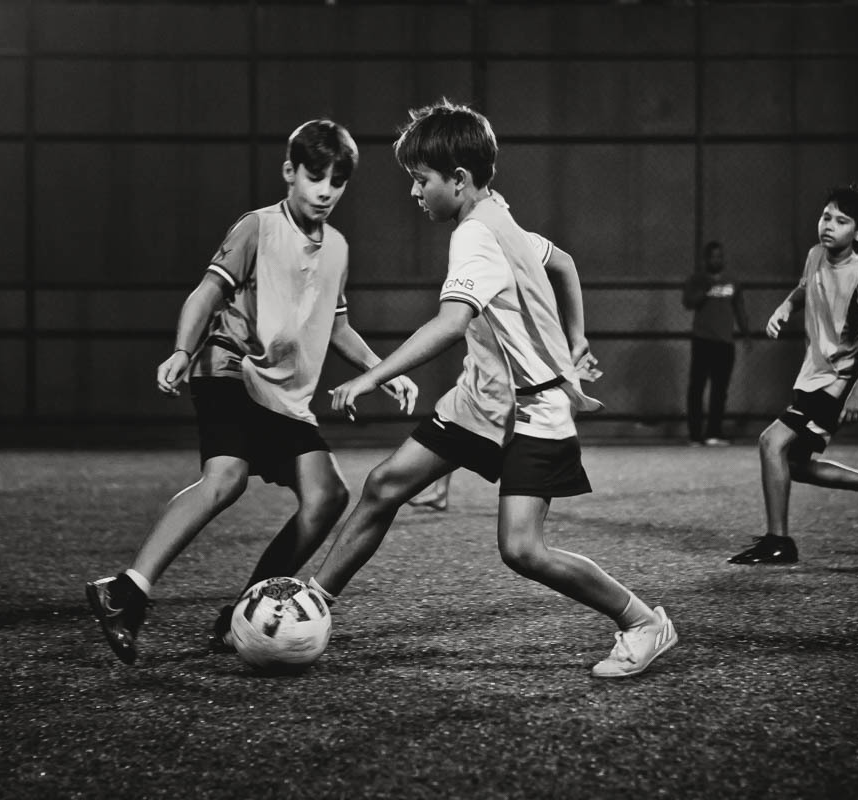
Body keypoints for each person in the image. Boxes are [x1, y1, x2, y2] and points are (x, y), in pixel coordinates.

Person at [304, 100, 677, 679]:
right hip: (484, 404)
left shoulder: (475, 234)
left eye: (420, 180)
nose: (414, 193)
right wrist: (576, 338)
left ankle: (643, 622)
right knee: (384, 485)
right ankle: (313, 603)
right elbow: (565, 262)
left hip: (534, 409)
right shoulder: (500, 217)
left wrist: (370, 376)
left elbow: (451, 323)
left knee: (522, 550)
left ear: (458, 179)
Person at [85, 119, 418, 665]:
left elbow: (336, 326)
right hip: (230, 370)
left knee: (327, 495)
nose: (325, 190)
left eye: (338, 180)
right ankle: (126, 592)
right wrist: (179, 350)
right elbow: (204, 293)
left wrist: (382, 370)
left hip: (285, 396)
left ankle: (242, 614)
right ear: (290, 173)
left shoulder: (336, 248)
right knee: (227, 477)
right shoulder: (257, 228)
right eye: (315, 176)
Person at [728, 184, 858, 565]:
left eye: (841, 221)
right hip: (812, 379)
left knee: (771, 443)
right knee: (793, 465)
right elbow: (804, 289)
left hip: (835, 384)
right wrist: (784, 307)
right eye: (826, 216)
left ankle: (778, 542)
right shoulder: (816, 255)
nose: (829, 225)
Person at [681, 241, 750, 446]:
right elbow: (688, 302)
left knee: (720, 389)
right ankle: (695, 435)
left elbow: (739, 308)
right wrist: (705, 288)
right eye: (713, 257)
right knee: (697, 388)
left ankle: (714, 433)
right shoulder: (697, 279)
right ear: (706, 259)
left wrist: (746, 333)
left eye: (719, 256)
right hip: (703, 340)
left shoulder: (732, 281)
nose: (716, 260)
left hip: (724, 342)